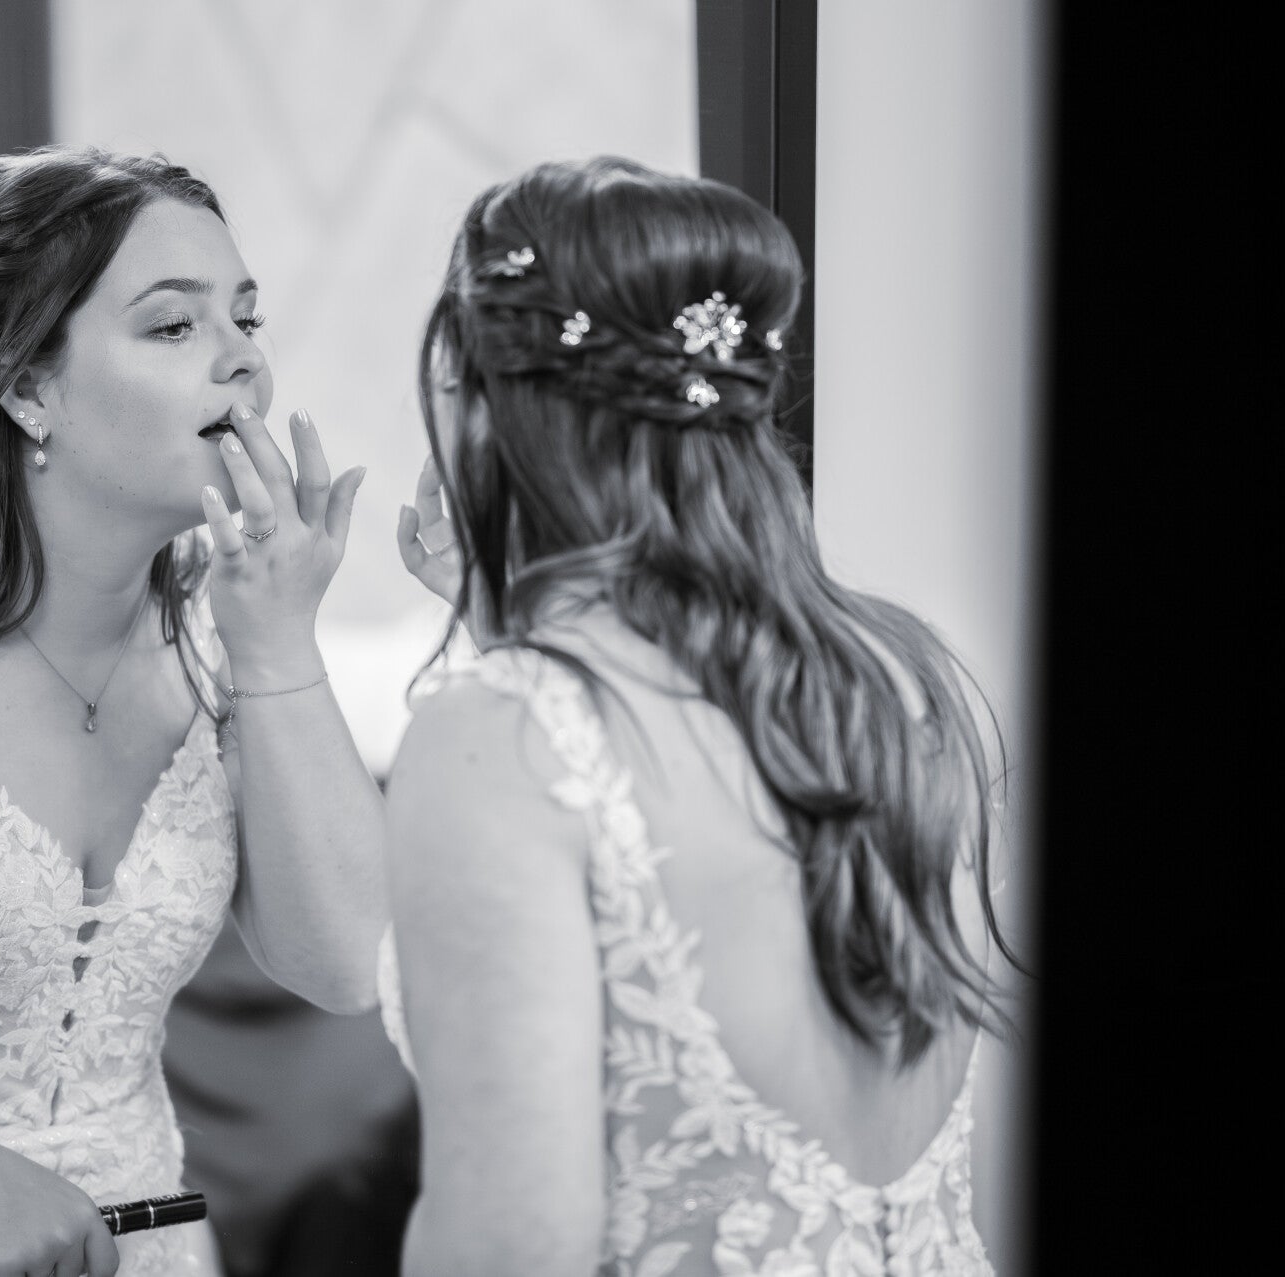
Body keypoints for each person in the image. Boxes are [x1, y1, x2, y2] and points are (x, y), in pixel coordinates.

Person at [382, 157, 1018, 1277]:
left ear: (478, 403)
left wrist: (515, 667)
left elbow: (510, 1246)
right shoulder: (902, 675)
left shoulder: (501, 732)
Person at [0, 145, 387, 1277]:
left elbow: (343, 965)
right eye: (174, 325)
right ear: (25, 387)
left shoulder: (220, 641)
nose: (243, 359)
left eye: (246, 318)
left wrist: (278, 642)